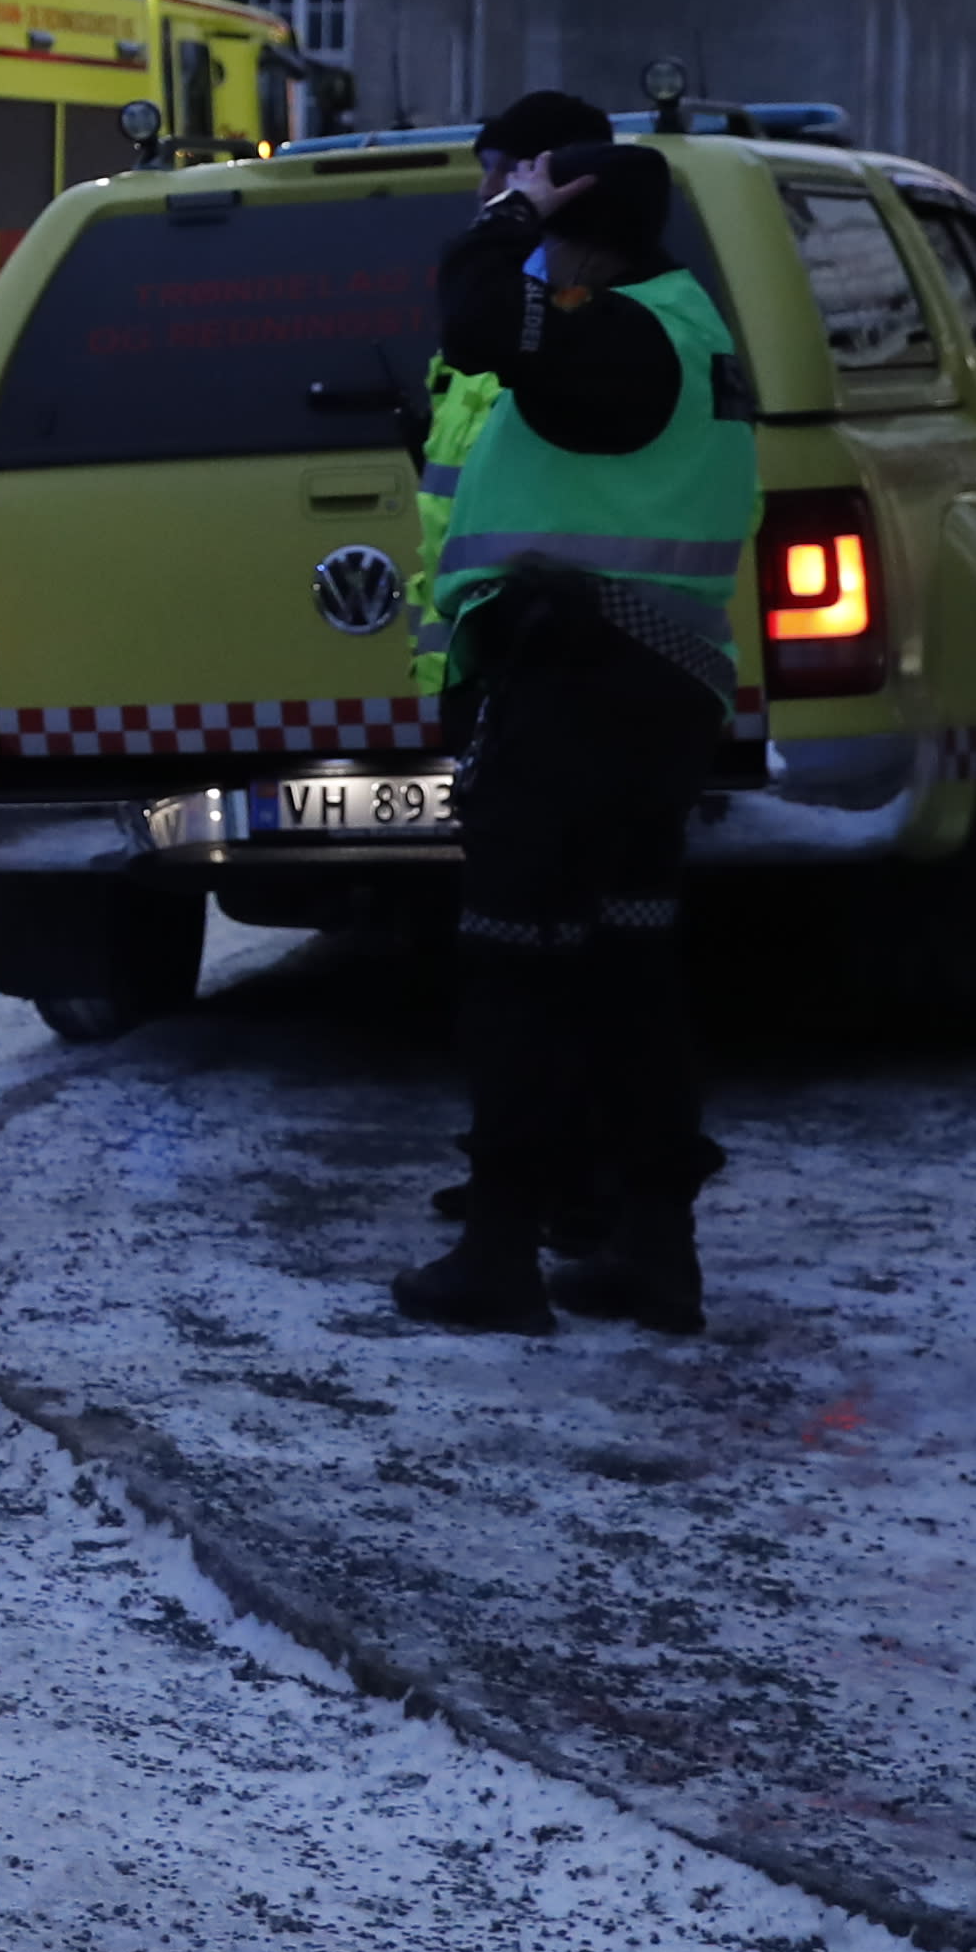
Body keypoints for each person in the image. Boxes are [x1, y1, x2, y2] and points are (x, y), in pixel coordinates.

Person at [393, 134, 757, 1338]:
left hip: (579, 680)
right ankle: (653, 1252)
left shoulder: (621, 334)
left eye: (549, 224)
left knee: (517, 966)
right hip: (650, 690)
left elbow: (475, 322)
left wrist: (508, 214)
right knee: (626, 968)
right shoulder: (682, 327)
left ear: (581, 230)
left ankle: (501, 1253)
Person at [417, 91, 619, 689]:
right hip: (484, 664)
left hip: (571, 660)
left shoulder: (590, 310)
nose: (488, 190)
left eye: (508, 171)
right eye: (487, 170)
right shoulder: (493, 315)